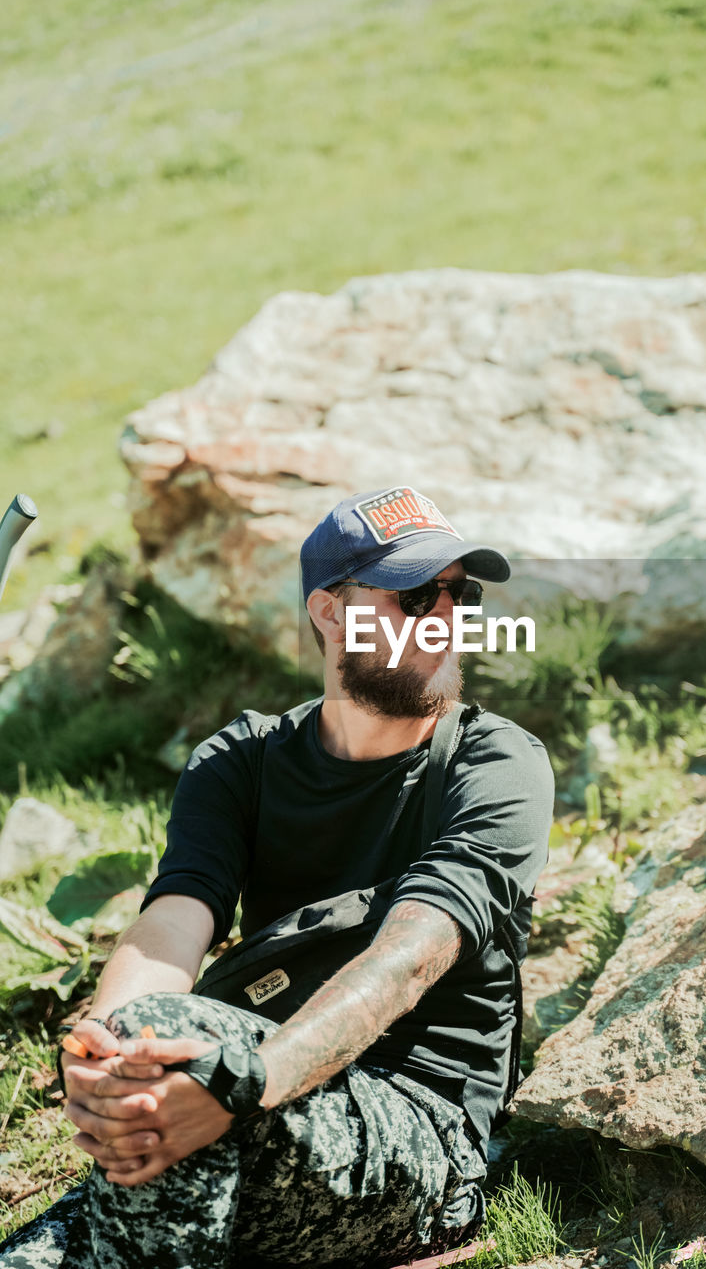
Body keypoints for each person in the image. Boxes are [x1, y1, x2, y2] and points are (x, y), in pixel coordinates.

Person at [0, 485, 554, 1269]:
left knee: (183, 1050)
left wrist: (249, 1081)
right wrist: (100, 1049)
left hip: (417, 1133)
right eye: (416, 594)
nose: (447, 617)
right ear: (331, 614)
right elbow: (171, 923)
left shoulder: (495, 763)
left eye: (460, 592)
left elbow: (410, 954)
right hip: (227, 1099)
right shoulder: (241, 761)